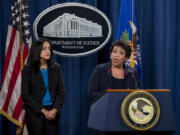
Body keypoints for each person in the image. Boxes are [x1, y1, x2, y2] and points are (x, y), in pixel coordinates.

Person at [21, 39, 65, 135]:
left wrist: (55, 110)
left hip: (53, 113)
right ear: (37, 50)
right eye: (44, 48)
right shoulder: (28, 69)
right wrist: (43, 111)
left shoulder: (56, 68)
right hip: (35, 113)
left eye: (49, 48)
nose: (48, 51)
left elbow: (61, 92)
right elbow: (25, 95)